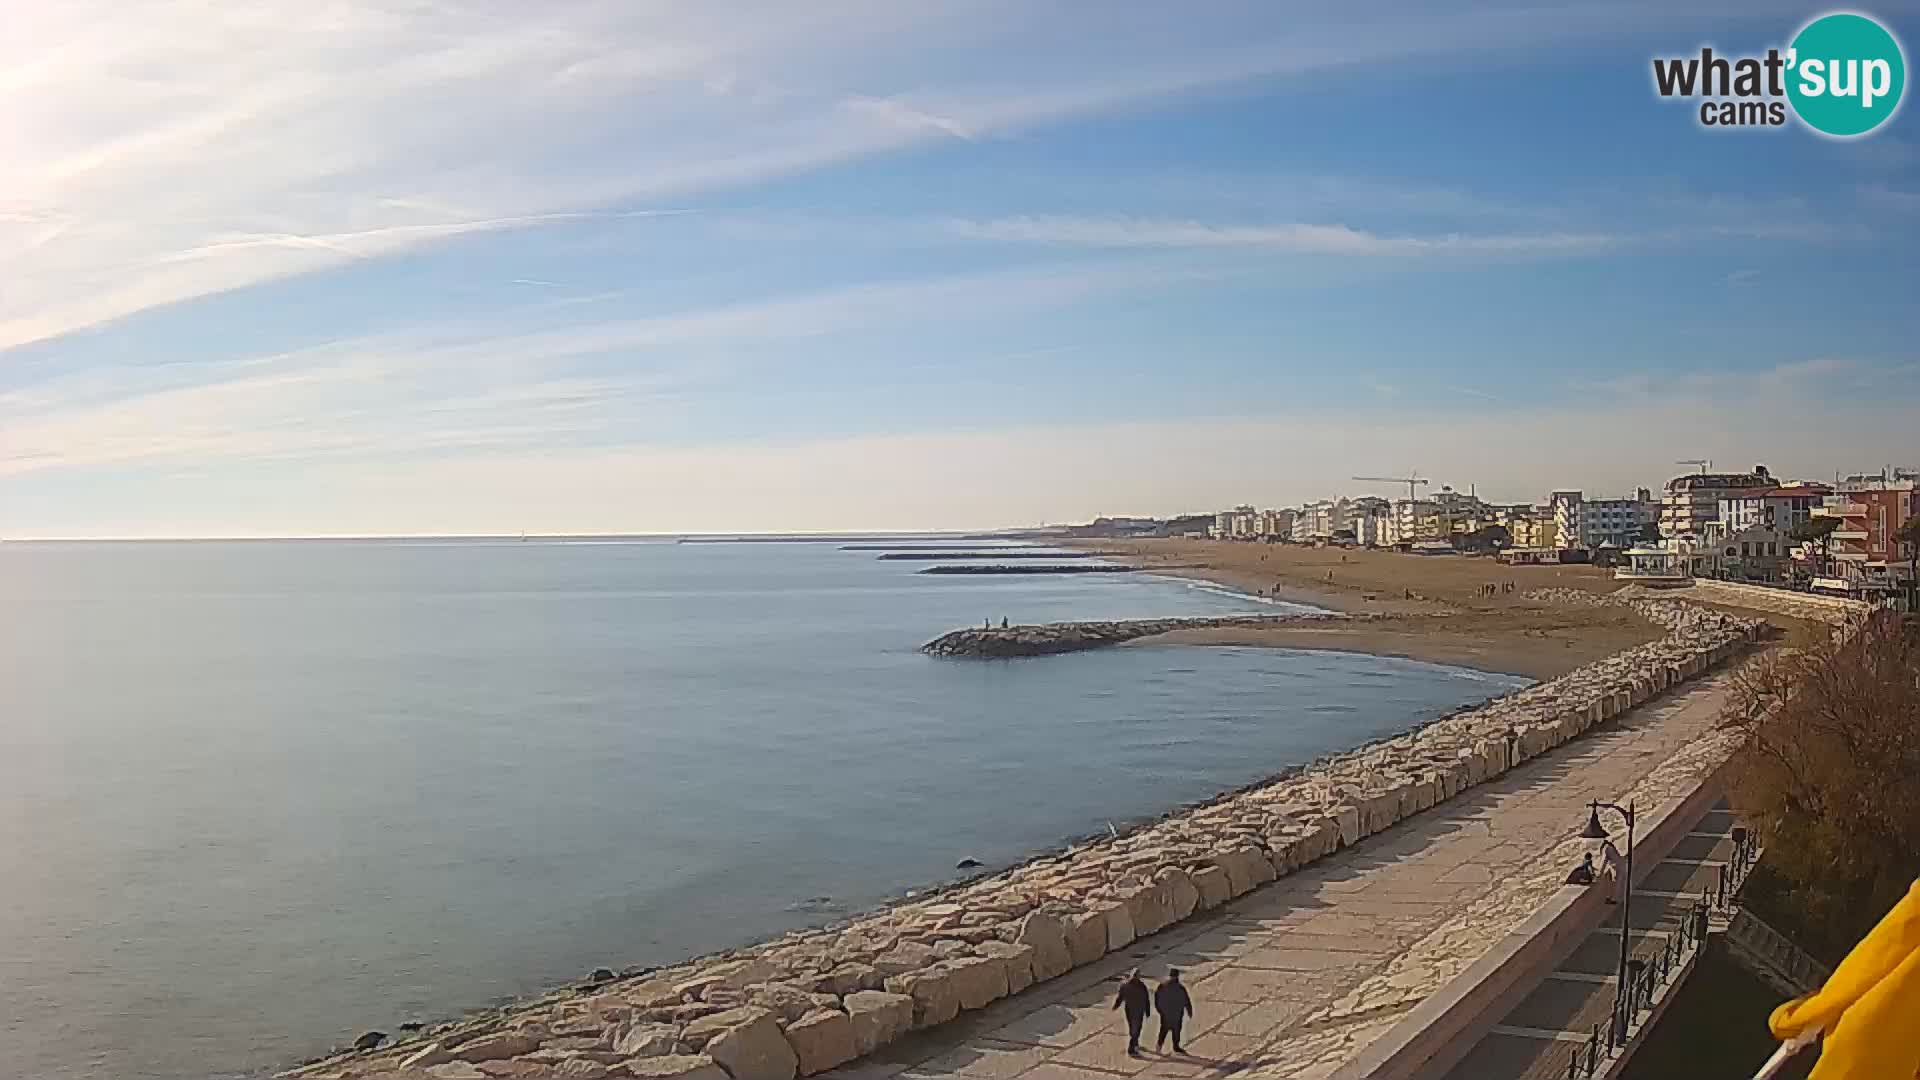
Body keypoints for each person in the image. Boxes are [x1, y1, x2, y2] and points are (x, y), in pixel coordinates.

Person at [1154, 969, 1194, 1054]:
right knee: (1174, 1030)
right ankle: (1174, 1046)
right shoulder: (1180, 988)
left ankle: (1160, 1046)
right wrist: (1189, 1011)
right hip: (1176, 1014)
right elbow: (1186, 1000)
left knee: (1165, 1030)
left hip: (1167, 1014)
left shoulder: (1162, 986)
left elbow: (1157, 999)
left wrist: (1160, 1010)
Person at [1113, 969, 1150, 1056]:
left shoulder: (1126, 985)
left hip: (1131, 1010)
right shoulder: (1141, 986)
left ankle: (1135, 1044)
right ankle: (1131, 1049)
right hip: (1136, 1010)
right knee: (1136, 1030)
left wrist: (1116, 1006)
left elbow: (1120, 997)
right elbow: (1146, 999)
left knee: (1134, 1028)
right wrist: (1147, 1011)